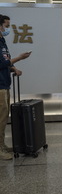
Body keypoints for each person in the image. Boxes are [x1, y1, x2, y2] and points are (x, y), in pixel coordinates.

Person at [0, 14, 31, 160]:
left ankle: (2, 145)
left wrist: (14, 68)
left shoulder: (2, 41)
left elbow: (6, 60)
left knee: (4, 117)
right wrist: (19, 57)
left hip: (5, 83)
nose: (7, 29)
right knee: (0, 117)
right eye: (6, 26)